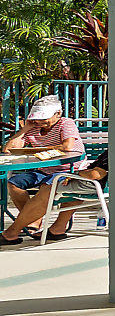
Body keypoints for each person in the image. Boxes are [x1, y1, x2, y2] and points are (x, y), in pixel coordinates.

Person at [1, 95, 85, 245]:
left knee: (47, 188)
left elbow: (67, 146)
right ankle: (34, 221)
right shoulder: (34, 127)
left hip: (68, 168)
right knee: (13, 183)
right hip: (44, 170)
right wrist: (25, 129)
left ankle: (13, 231)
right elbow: (8, 149)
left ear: (58, 113)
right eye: (38, 118)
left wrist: (37, 150)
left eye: (44, 118)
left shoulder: (66, 123)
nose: (40, 121)